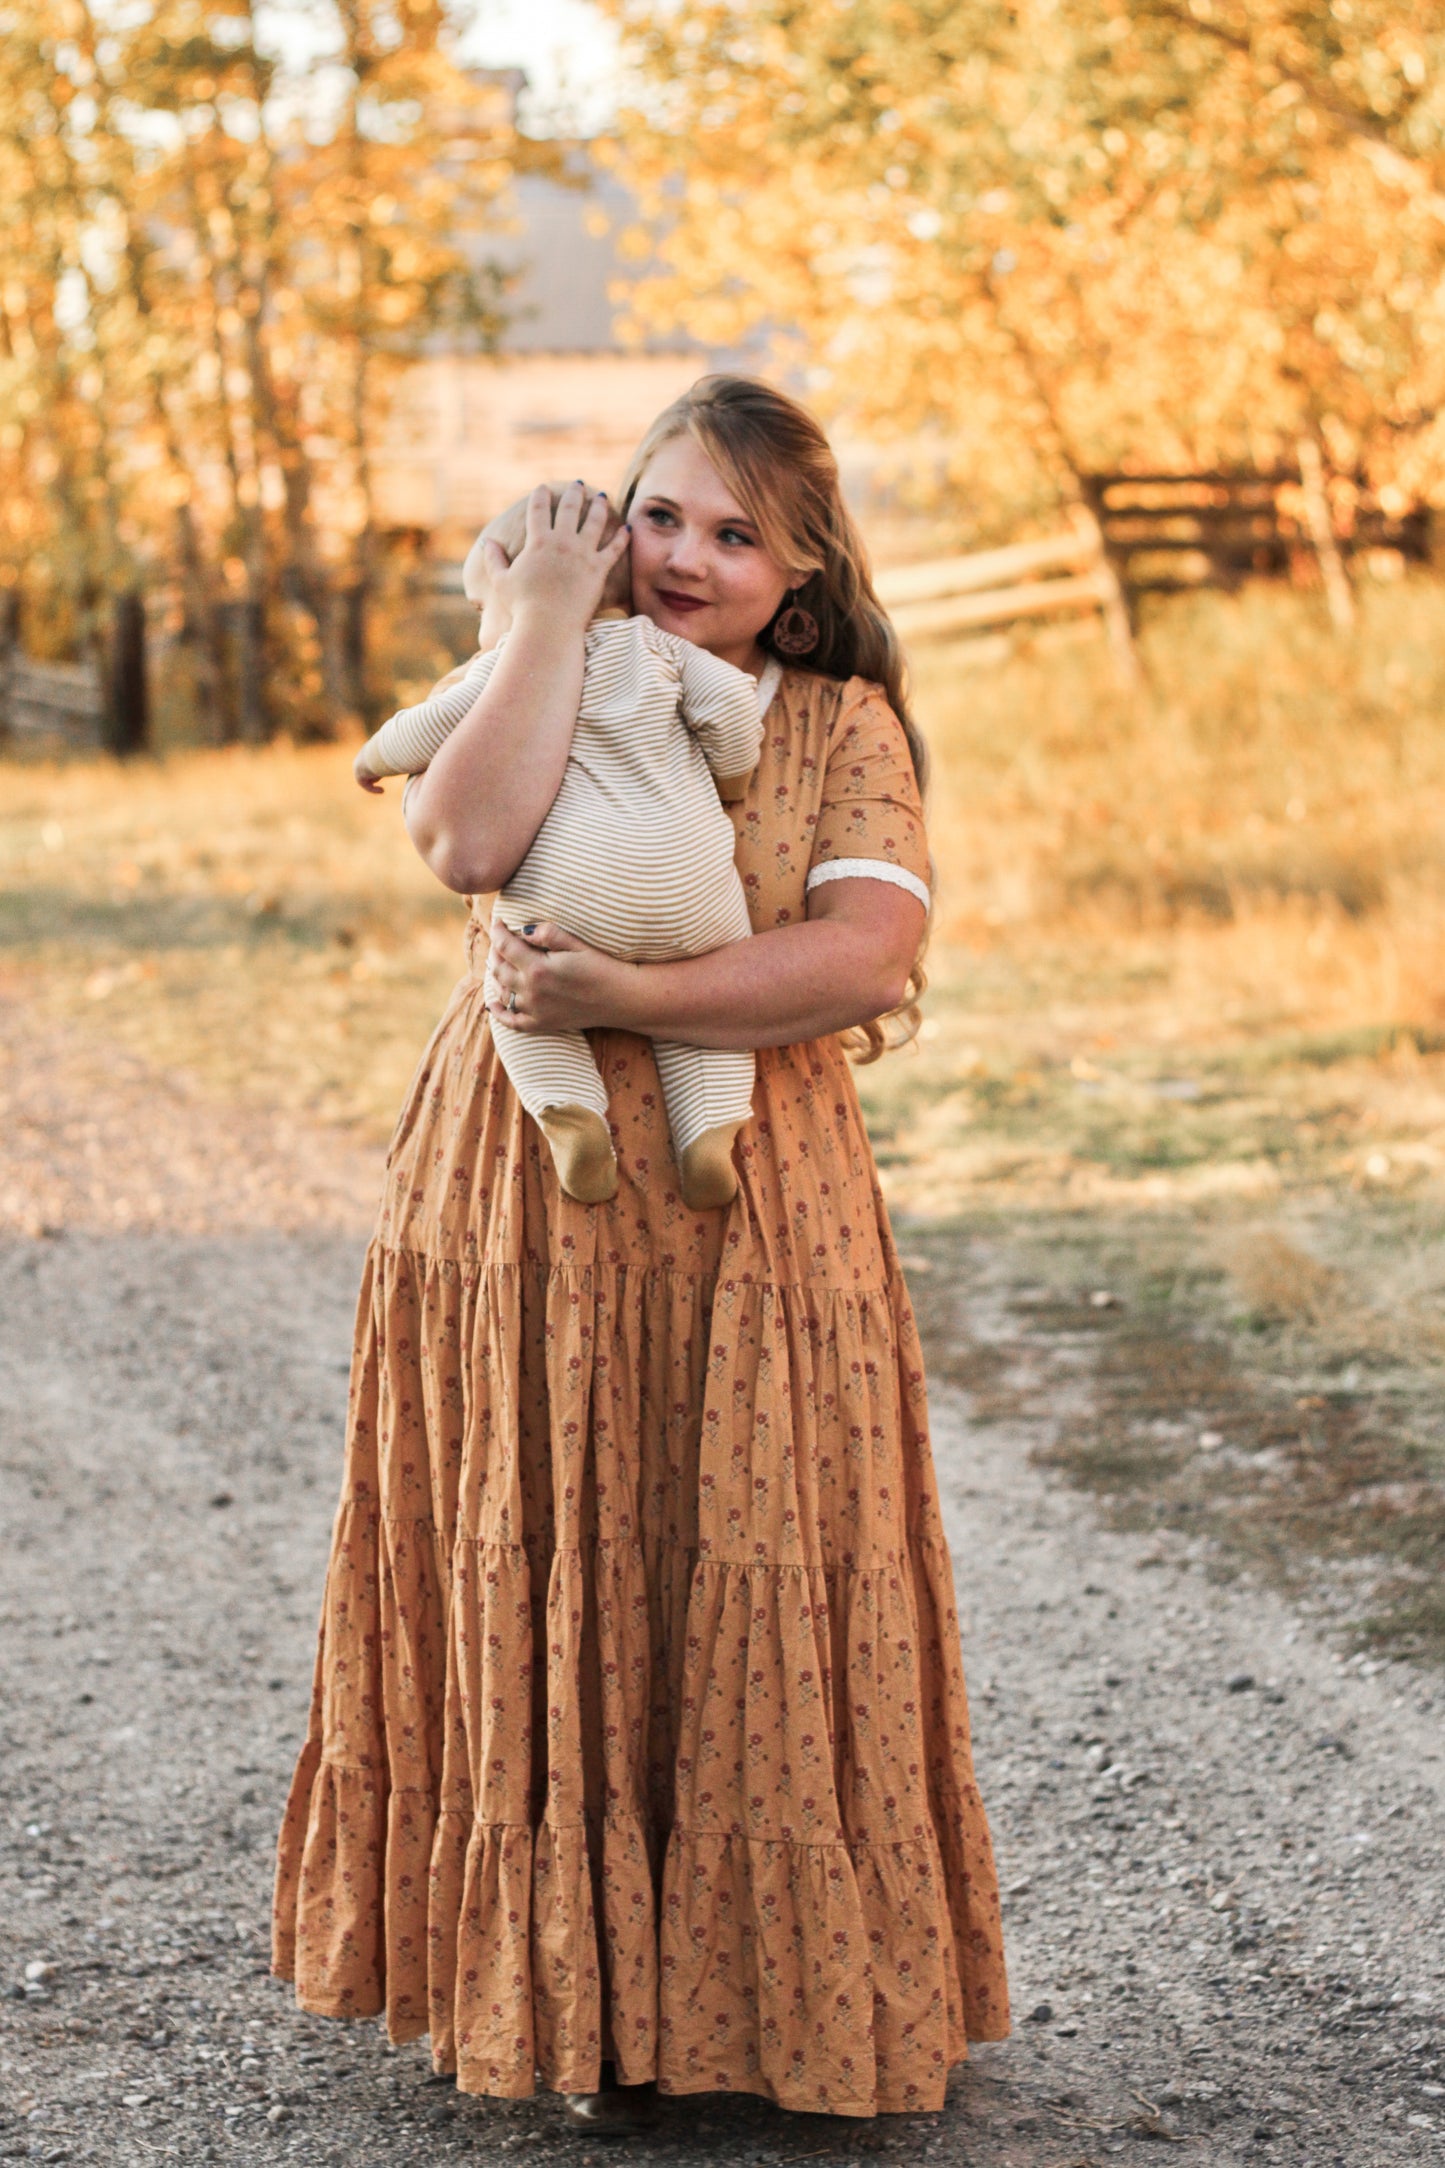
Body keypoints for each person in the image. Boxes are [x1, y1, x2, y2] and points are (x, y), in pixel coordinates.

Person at [272, 375, 1010, 2125]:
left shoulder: (838, 726)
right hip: (520, 1194)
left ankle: (771, 2013)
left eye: (738, 535)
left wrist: (630, 994)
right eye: (662, 513)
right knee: (550, 1548)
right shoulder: (559, 660)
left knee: (754, 1554)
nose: (688, 556)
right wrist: (539, 614)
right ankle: (576, 2007)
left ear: (804, 574)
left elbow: (864, 957)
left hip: (758, 1205)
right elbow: (464, 839)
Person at [351, 482, 766, 1210]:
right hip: (696, 901)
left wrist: (373, 756)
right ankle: (710, 1129)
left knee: (513, 982)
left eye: (481, 605)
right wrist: (730, 774)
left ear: (521, 587)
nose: (482, 624)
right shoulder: (663, 649)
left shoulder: (518, 667)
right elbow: (732, 705)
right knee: (708, 1009)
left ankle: (570, 1114)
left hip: (573, 905)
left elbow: (433, 723)